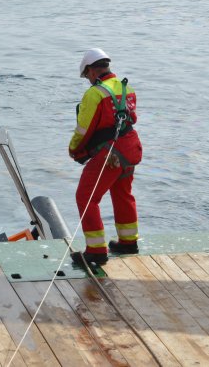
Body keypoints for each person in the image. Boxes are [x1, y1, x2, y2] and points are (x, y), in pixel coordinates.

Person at [68, 48, 143, 267]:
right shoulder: (125, 86)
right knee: (123, 193)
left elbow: (84, 129)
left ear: (91, 71)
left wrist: (74, 150)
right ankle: (129, 242)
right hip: (131, 147)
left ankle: (96, 251)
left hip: (111, 153)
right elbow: (132, 117)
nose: (88, 80)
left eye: (86, 76)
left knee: (86, 197)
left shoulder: (94, 94)